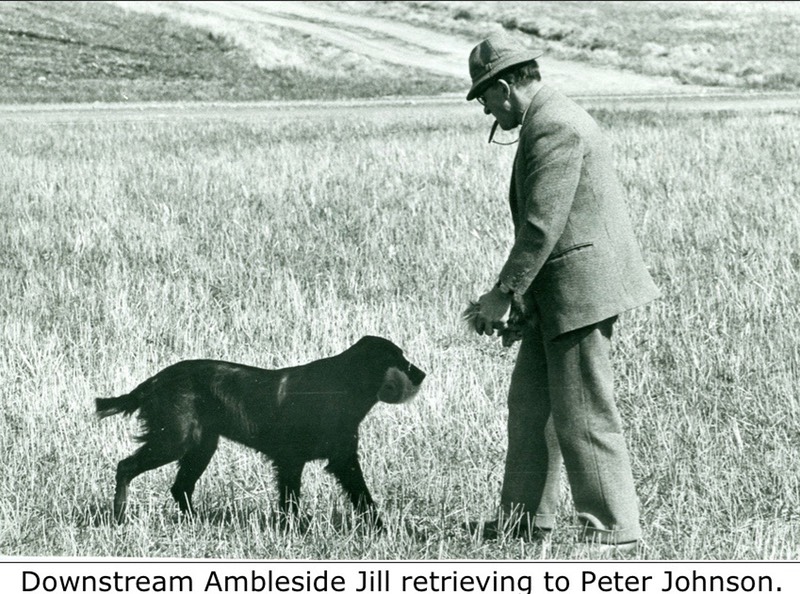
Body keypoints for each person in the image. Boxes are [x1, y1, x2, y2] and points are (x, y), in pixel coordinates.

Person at [464, 33, 660, 552]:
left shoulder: (553, 125)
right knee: (531, 407)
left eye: (483, 97)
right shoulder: (547, 118)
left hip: (580, 292)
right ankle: (523, 523)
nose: (485, 110)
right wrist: (525, 300)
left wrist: (504, 294)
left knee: (584, 413)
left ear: (504, 87)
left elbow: (540, 225)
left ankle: (614, 533)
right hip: (559, 291)